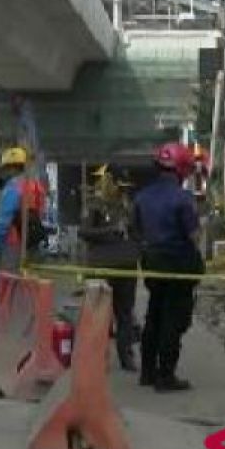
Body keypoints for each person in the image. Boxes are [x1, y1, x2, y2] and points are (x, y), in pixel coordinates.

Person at [132, 143, 203, 393]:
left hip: (152, 263)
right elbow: (194, 236)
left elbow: (137, 231)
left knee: (154, 313)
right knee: (174, 319)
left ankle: (147, 372)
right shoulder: (183, 198)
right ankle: (166, 376)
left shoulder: (141, 197)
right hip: (178, 264)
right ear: (182, 169)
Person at [78, 165, 140, 372]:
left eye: (125, 187)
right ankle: (97, 356)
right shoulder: (95, 204)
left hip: (126, 266)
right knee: (99, 315)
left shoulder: (128, 205)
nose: (122, 190)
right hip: (101, 267)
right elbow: (84, 232)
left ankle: (126, 356)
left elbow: (138, 231)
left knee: (125, 314)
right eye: (119, 186)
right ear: (108, 181)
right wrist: (111, 230)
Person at [0, 146, 46, 333]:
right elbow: (39, 214)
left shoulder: (12, 188)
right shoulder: (36, 187)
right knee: (31, 291)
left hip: (12, 245)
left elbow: (4, 222)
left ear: (11, 167)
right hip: (33, 246)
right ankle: (31, 332)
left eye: (5, 168)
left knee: (4, 290)